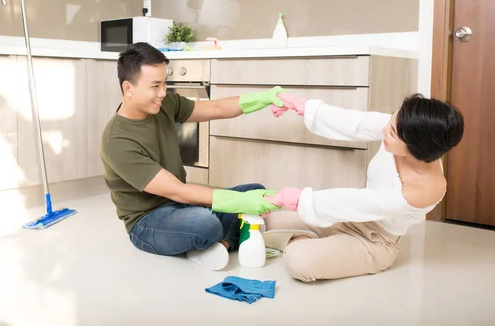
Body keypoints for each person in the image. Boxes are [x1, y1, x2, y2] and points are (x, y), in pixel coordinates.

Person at [100, 43, 282, 270]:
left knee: (254, 189)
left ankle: (221, 245)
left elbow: (216, 109)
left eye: (165, 83)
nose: (163, 93)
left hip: (180, 205)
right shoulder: (117, 142)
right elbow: (179, 190)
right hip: (147, 223)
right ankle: (218, 238)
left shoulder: (164, 104)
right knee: (206, 224)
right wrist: (241, 203)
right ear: (128, 88)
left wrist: (263, 99)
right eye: (155, 86)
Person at [264, 93, 464, 282]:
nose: (384, 130)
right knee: (267, 222)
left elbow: (362, 202)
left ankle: (308, 243)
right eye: (390, 122)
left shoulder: (425, 189)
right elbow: (354, 122)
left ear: (415, 146)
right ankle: (316, 240)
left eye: (392, 132)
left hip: (373, 242)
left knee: (298, 260)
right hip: (347, 218)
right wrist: (304, 106)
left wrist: (296, 199)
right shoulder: (400, 127)